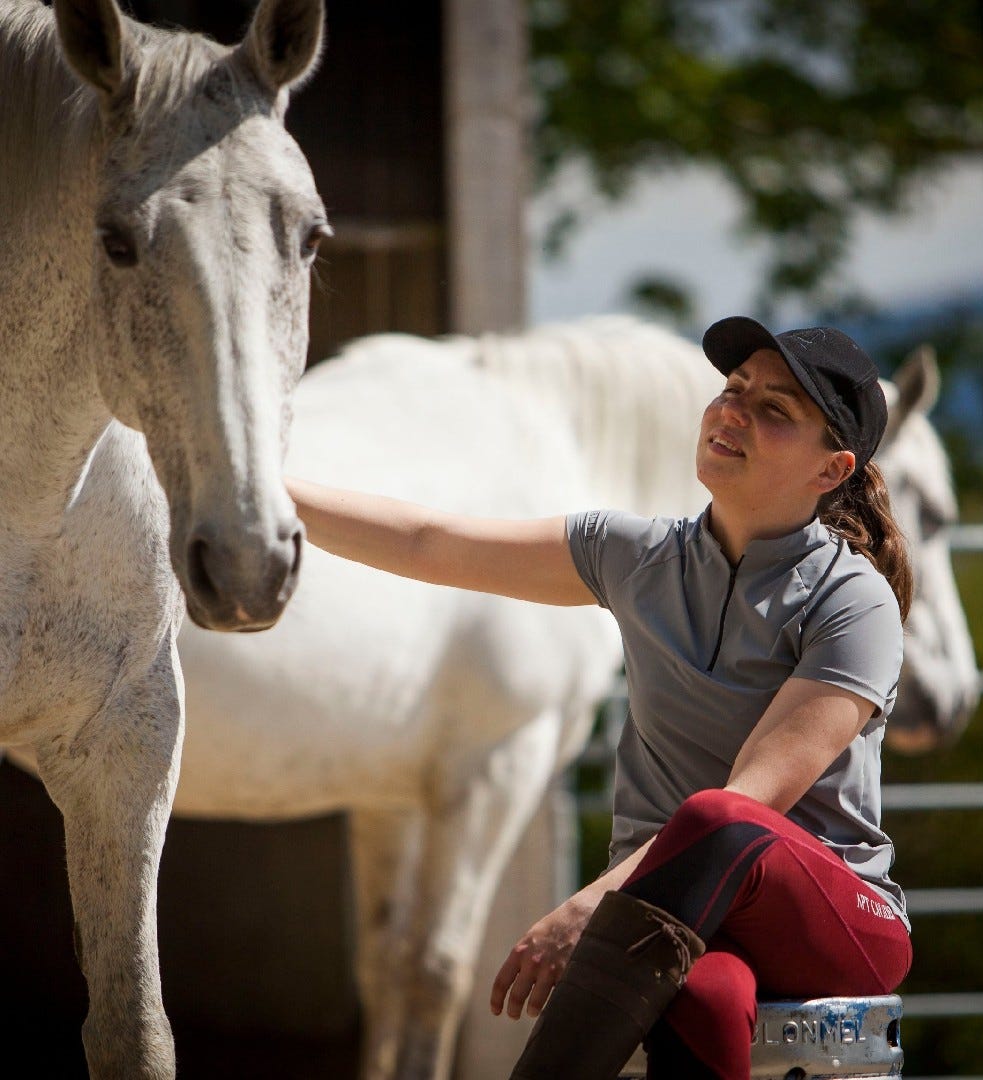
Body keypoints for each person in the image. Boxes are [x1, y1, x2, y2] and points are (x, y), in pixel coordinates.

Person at [285, 316, 913, 1080]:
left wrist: (595, 903)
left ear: (831, 469)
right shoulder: (636, 555)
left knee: (720, 817)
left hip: (833, 919)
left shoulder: (855, 601)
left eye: (775, 410)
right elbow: (429, 541)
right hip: (676, 922)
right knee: (708, 1005)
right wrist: (261, 489)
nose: (733, 412)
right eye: (733, 389)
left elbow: (752, 804)